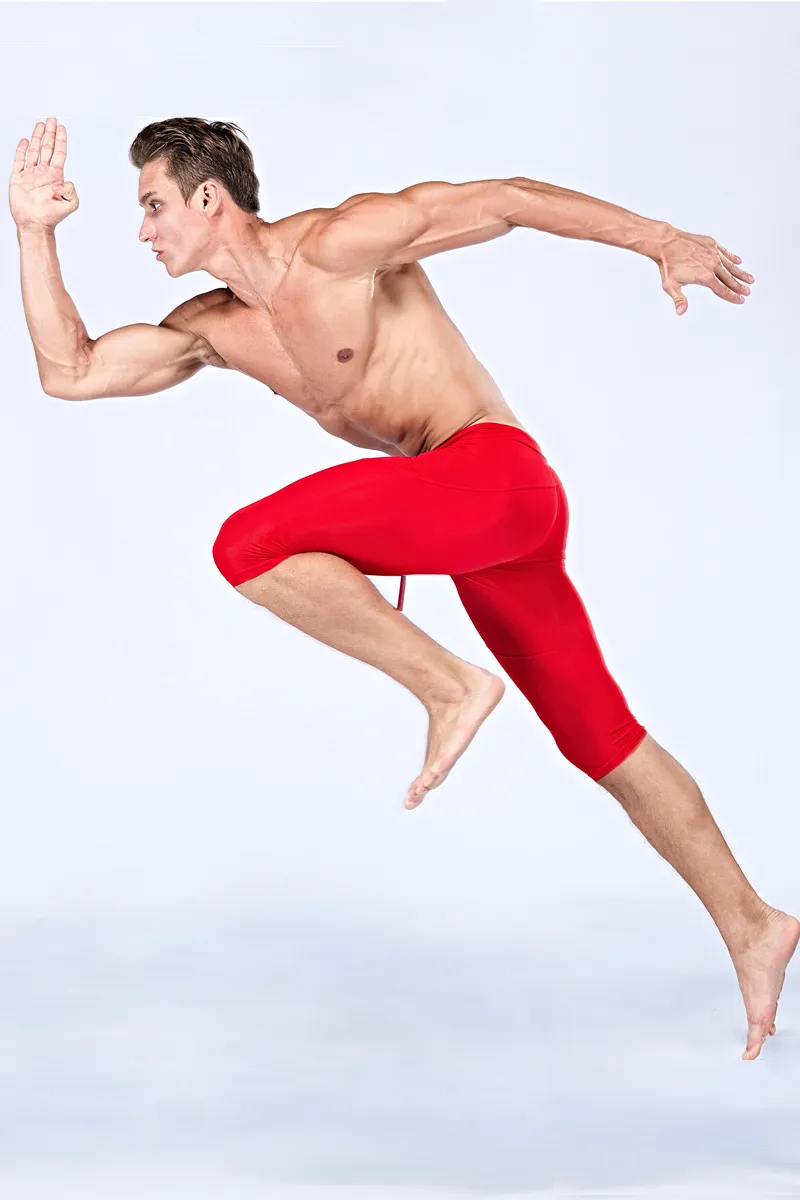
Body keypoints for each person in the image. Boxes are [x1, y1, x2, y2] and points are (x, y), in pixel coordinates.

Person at [11, 115, 798, 1062]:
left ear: (208, 198)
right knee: (604, 740)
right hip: (474, 533)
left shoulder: (340, 246)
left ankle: (449, 686)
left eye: (152, 205)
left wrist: (661, 239)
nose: (142, 231)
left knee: (247, 544)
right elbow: (71, 371)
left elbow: (506, 200)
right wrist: (33, 233)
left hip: (495, 478)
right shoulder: (211, 330)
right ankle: (752, 922)